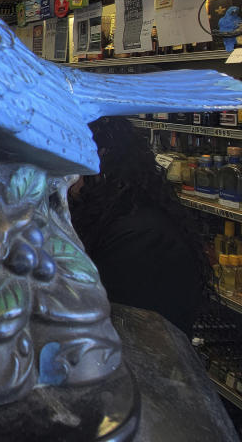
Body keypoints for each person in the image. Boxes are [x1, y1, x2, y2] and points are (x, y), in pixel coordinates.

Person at [67, 117, 205, 335]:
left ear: (100, 156)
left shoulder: (141, 237)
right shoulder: (107, 212)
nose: (62, 176)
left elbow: (127, 332)